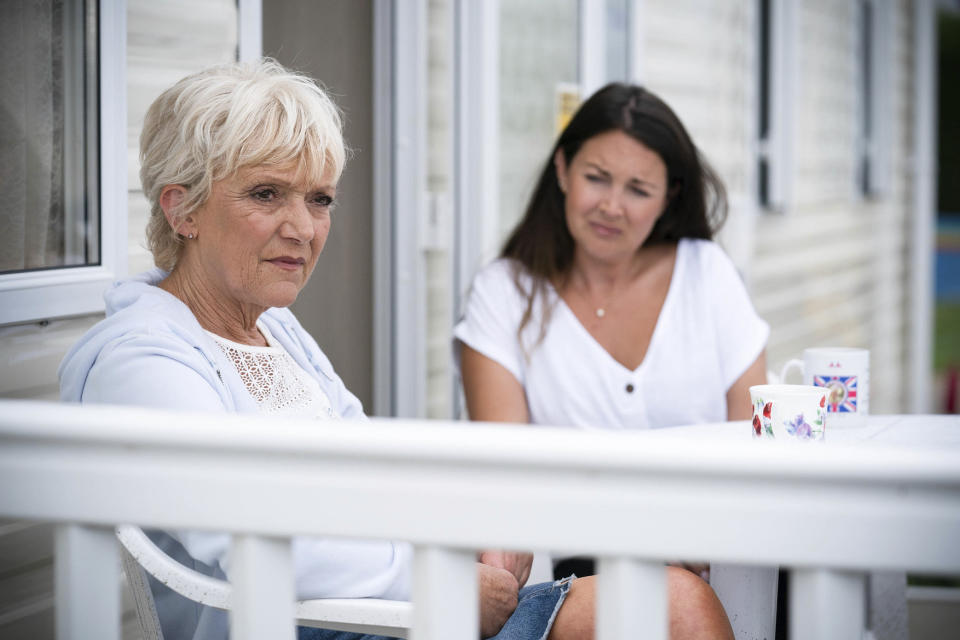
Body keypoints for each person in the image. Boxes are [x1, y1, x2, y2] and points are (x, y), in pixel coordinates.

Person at [58, 62, 732, 640]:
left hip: (381, 613)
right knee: (672, 607)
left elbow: (373, 468)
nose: (303, 227)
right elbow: (248, 535)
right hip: (319, 624)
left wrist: (477, 530)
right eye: (267, 193)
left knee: (672, 602)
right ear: (183, 210)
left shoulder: (272, 330)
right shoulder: (142, 359)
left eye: (319, 199)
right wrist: (439, 580)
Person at [454, 83, 769, 581]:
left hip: (719, 558)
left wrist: (703, 533)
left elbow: (754, 444)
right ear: (562, 169)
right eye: (597, 178)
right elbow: (506, 472)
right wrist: (653, 536)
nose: (612, 206)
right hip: (574, 577)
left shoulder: (708, 275)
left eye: (638, 189)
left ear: (670, 197)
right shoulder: (503, 293)